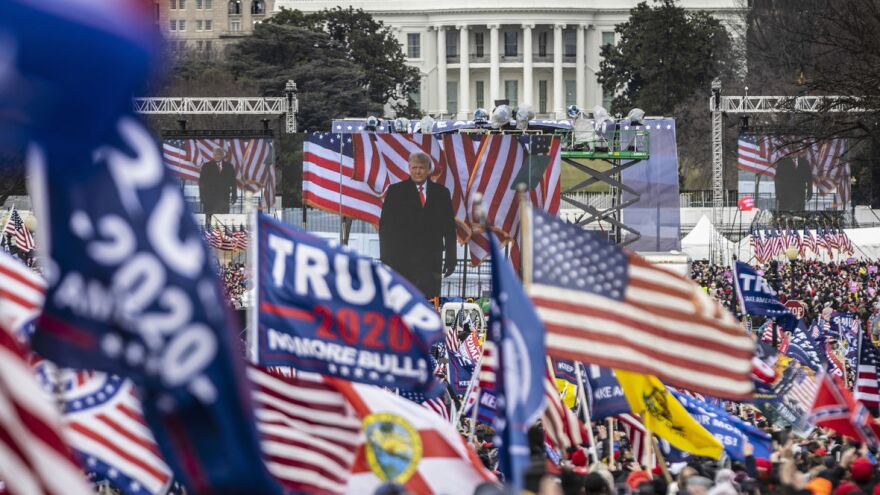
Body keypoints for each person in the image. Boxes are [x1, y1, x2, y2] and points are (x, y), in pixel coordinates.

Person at [379, 152, 456, 298]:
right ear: (409, 168)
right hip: (401, 262)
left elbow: (450, 229)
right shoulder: (395, 192)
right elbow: (385, 229)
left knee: (429, 303)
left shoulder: (442, 193)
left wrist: (451, 258)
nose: (417, 171)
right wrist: (386, 259)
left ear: (428, 170)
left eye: (421, 168)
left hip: (431, 263)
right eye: (414, 168)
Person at [198, 147, 238, 227]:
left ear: (223, 155)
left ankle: (223, 238)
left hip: (223, 199)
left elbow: (233, 183)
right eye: (216, 154)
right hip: (209, 200)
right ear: (213, 155)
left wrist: (234, 195)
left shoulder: (229, 167)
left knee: (223, 223)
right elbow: (201, 183)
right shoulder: (206, 166)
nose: (217, 156)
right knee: (208, 224)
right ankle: (208, 236)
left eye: (219, 154)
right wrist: (202, 197)